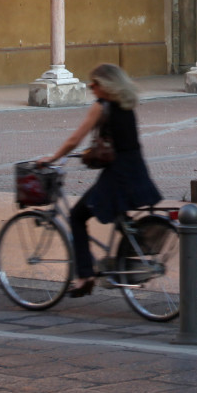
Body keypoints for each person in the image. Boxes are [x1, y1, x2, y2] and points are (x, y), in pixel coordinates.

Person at [39, 62, 162, 297]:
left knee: (77, 216)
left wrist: (53, 158)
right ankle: (121, 263)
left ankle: (85, 276)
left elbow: (75, 140)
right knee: (121, 218)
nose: (91, 88)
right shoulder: (127, 103)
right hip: (136, 169)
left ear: (105, 86)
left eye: (94, 84)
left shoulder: (101, 106)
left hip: (117, 174)